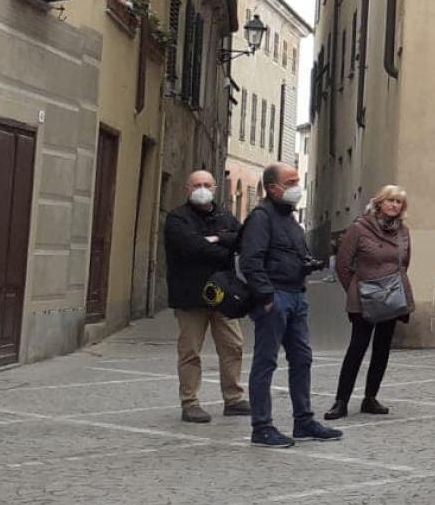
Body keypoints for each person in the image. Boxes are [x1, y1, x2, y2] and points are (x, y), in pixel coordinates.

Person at [239, 163, 339, 448]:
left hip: (296, 295)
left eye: (298, 180)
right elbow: (251, 261)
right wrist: (267, 297)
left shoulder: (291, 220)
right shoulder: (261, 218)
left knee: (302, 358)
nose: (298, 186)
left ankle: (303, 421)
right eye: (291, 181)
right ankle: (262, 426)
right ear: (273, 188)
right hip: (276, 298)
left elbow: (295, 254)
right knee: (265, 362)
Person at [162, 170, 248, 423]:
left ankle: (233, 398)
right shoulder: (177, 218)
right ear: (187, 189)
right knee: (190, 351)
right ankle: (190, 402)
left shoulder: (224, 216)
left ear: (215, 188)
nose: (201, 188)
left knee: (233, 346)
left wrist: (218, 237)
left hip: (224, 295)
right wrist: (223, 251)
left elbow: (242, 240)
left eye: (206, 185)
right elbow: (191, 247)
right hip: (190, 295)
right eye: (196, 185)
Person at [326, 185, 414, 421]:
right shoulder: (359, 228)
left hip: (391, 296)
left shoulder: (403, 231)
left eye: (399, 202)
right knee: (357, 348)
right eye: (391, 200)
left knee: (382, 349)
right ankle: (341, 401)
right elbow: (344, 265)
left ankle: (370, 398)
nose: (395, 205)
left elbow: (404, 263)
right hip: (364, 297)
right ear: (379, 203)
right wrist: (356, 289)